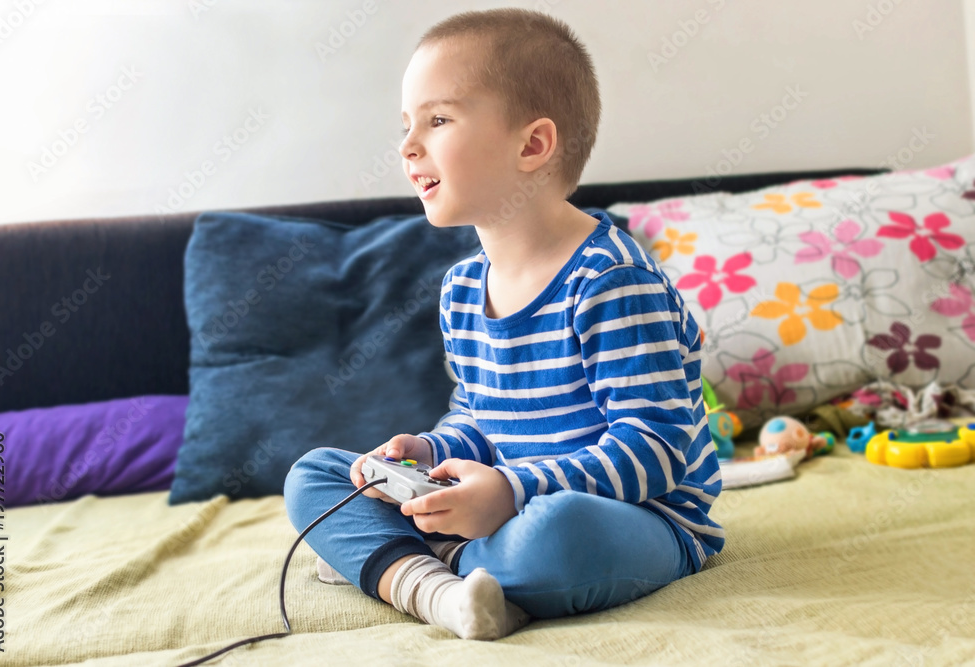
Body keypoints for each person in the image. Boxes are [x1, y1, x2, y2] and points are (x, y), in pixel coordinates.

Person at [284, 7, 724, 641]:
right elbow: (480, 417)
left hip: (640, 516)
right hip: (505, 505)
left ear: (532, 145)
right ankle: (446, 591)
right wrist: (434, 453)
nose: (408, 146)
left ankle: (404, 567)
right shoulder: (462, 289)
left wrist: (513, 491)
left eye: (437, 121)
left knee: (556, 536)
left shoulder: (610, 278)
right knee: (319, 476)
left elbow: (655, 450)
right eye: (407, 126)